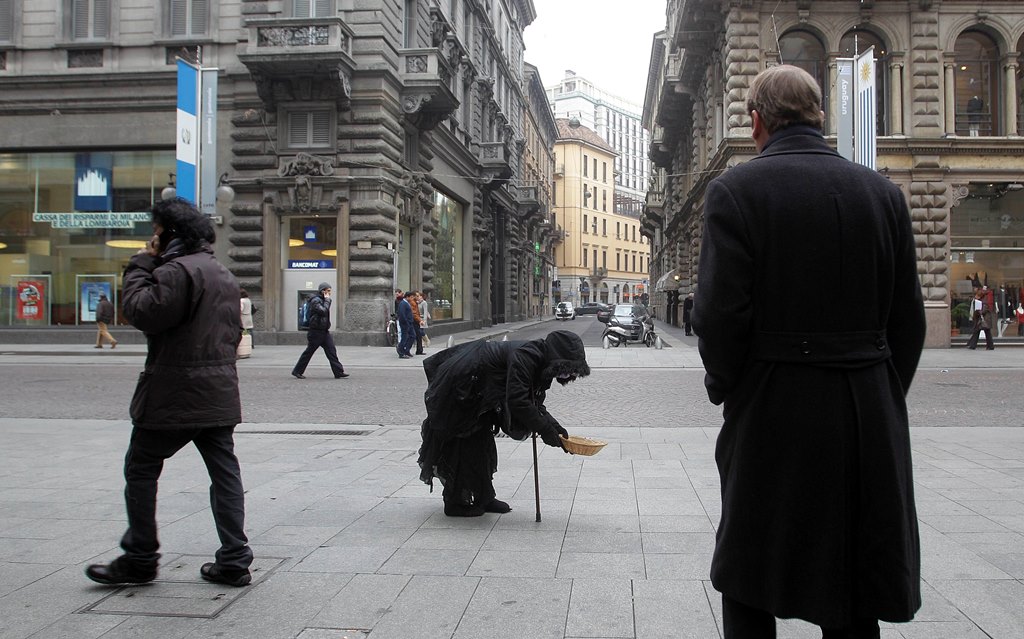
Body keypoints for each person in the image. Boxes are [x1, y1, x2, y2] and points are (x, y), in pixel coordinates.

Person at [691, 65, 926, 637]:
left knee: (750, 567)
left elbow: (719, 319)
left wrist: (731, 390)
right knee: (853, 571)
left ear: (757, 123)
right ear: (820, 116)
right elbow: (909, 322)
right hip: (866, 410)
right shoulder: (883, 194)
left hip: (773, 406)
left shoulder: (736, 191)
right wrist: (881, 390)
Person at [85, 198, 253, 588]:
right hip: (218, 390)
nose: (152, 238)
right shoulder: (222, 274)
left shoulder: (177, 272)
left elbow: (143, 313)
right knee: (224, 472)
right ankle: (234, 558)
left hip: (175, 391)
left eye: (157, 231)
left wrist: (141, 264)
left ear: (170, 234)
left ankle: (140, 558)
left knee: (141, 468)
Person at [417, 330, 590, 516]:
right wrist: (545, 430)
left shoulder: (544, 364)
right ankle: (455, 501)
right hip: (463, 384)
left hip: (481, 388)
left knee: (481, 441)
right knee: (464, 442)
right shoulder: (527, 357)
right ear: (558, 358)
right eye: (569, 368)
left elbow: (535, 402)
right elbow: (519, 401)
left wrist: (555, 428)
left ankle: (484, 496)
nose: (569, 374)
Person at [292, 283, 348, 378]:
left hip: (324, 331)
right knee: (309, 352)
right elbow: (323, 311)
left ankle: (338, 372)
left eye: (330, 291)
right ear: (323, 291)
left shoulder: (322, 300)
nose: (330, 293)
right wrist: (327, 300)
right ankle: (297, 371)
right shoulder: (315, 301)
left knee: (331, 351)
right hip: (316, 332)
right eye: (328, 291)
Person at [396, 290, 416, 359]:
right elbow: (402, 314)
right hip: (405, 323)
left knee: (412, 336)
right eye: (411, 297)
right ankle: (401, 351)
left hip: (409, 323)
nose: (412, 299)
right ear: (407, 297)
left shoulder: (407, 303)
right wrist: (406, 322)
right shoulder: (403, 303)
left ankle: (407, 350)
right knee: (404, 337)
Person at [238, 288, 254, 357]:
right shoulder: (248, 300)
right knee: (250, 331)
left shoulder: (241, 300)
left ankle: (244, 344)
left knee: (244, 331)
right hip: (249, 317)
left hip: (243, 317)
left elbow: (240, 309)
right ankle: (252, 344)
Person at [409, 290, 424, 355]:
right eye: (417, 296)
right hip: (414, 321)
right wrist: (420, 320)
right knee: (416, 335)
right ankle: (418, 350)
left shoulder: (415, 302)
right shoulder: (413, 303)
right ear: (414, 296)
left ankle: (419, 350)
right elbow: (414, 313)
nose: (419, 297)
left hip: (416, 320)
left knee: (418, 335)